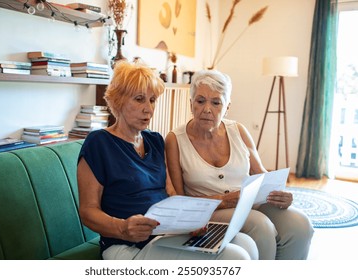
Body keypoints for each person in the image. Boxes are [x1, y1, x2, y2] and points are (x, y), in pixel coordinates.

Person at [77, 61, 259, 260]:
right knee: (236, 258)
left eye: (152, 100)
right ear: (118, 100)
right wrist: (122, 228)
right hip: (126, 245)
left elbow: (172, 194)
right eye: (139, 99)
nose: (148, 109)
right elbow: (88, 211)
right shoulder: (99, 142)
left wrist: (188, 221)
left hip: (163, 235)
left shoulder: (155, 141)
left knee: (246, 244)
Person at [165, 69, 314, 260]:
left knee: (300, 225)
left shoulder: (238, 131)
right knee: (261, 226)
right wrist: (225, 200)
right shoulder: (175, 140)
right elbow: (179, 199)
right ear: (191, 104)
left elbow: (260, 174)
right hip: (209, 210)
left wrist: (280, 195)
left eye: (216, 102)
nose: (207, 109)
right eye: (200, 101)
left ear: (227, 107)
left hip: (247, 202)